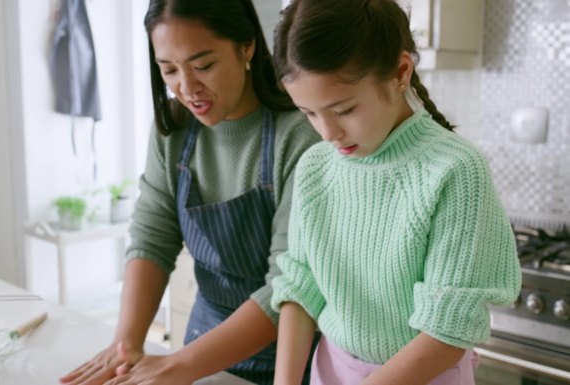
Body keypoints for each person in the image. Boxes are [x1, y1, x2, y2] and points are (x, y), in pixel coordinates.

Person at [59, 0, 320, 384]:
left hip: (290, 360)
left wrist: (177, 366)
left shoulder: (300, 134)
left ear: (246, 45)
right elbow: (153, 236)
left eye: (203, 65)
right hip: (202, 346)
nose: (186, 87)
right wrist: (125, 345)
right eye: (168, 69)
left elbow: (288, 285)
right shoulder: (175, 128)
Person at [268, 0, 522, 384]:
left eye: (344, 109)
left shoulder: (454, 171)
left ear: (401, 71)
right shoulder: (315, 168)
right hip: (331, 370)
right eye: (309, 113)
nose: (327, 132)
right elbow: (301, 286)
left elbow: (448, 329)